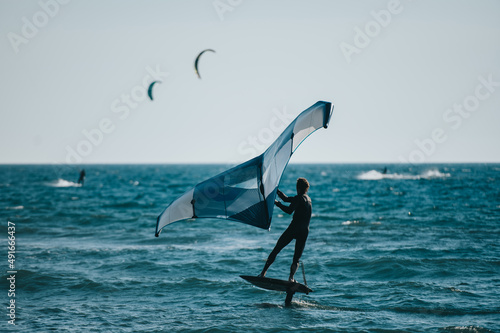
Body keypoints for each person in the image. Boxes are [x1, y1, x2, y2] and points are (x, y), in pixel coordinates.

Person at [258, 177, 312, 282]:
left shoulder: (298, 198)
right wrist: (276, 191)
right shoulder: (307, 199)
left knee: (277, 249)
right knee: (296, 258)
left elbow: (289, 210)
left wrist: (276, 203)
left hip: (294, 228)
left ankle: (263, 273)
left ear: (298, 188)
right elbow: (286, 199)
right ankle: (291, 278)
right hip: (304, 231)